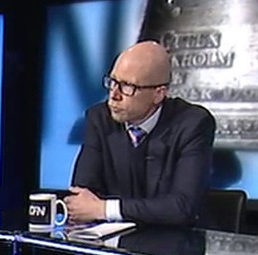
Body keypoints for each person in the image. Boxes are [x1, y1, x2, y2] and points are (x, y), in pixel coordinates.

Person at [68, 40, 216, 226]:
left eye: (127, 86)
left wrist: (104, 209)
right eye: (112, 82)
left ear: (158, 94)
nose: (114, 95)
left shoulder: (192, 124)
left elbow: (181, 207)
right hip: (114, 241)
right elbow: (81, 198)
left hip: (176, 241)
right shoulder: (99, 119)